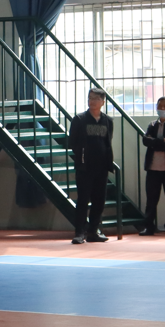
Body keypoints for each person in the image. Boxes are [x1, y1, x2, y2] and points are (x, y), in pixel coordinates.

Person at [68, 88, 114, 244]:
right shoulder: (79, 119)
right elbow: (72, 142)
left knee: (99, 201)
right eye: (90, 98)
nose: (92, 101)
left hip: (102, 167)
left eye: (95, 98)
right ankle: (79, 233)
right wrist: (82, 155)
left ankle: (93, 232)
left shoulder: (108, 121)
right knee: (83, 200)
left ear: (102, 102)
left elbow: (107, 142)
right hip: (85, 167)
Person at [138, 97, 165, 236]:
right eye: (160, 106)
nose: (162, 109)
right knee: (151, 200)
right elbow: (145, 141)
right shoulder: (152, 125)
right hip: (153, 168)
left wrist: (155, 142)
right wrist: (163, 141)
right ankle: (149, 227)